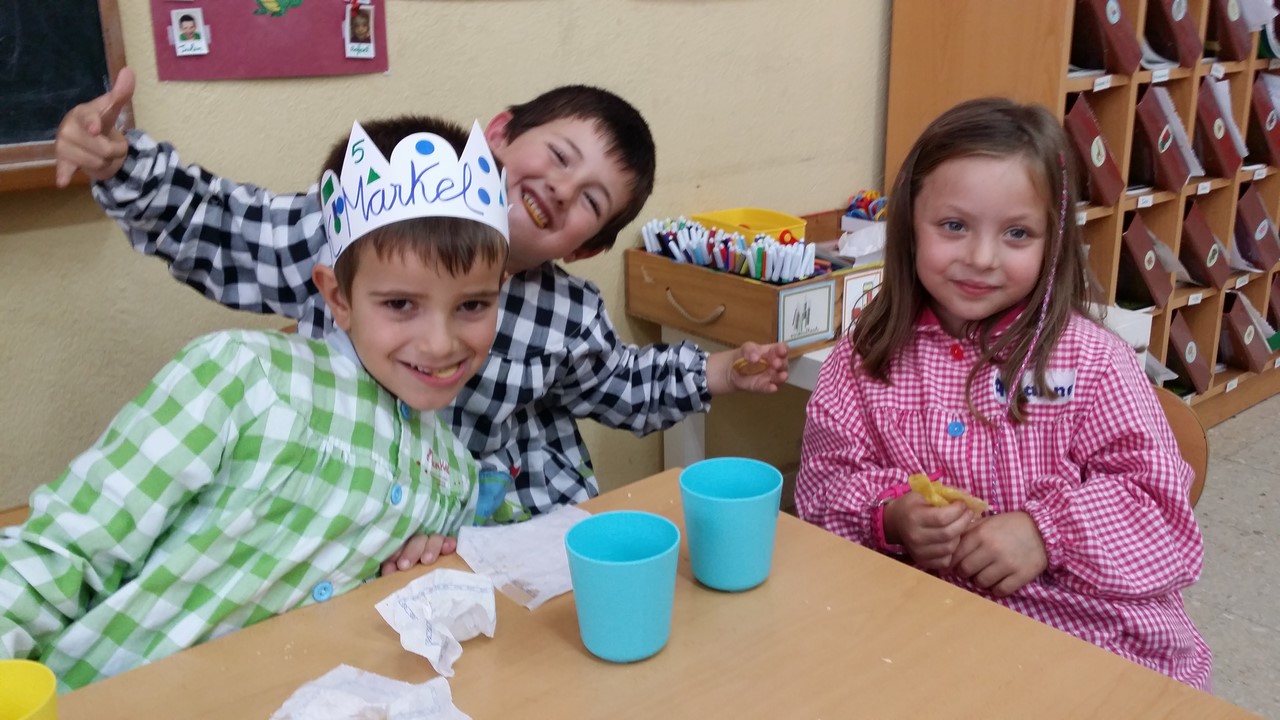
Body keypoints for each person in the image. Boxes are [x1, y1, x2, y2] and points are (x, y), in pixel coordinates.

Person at [53, 69, 791, 570]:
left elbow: (619, 382)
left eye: (592, 201)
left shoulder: (566, 315)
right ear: (499, 133)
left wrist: (718, 371)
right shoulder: (363, 234)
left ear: (587, 247)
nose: (563, 190)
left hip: (501, 540)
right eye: (559, 156)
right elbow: (225, 226)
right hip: (352, 530)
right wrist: (122, 165)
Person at [1, 115, 508, 691]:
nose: (441, 343)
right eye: (399, 304)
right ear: (338, 298)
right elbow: (60, 552)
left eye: (472, 305)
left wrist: (418, 574)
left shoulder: (453, 477)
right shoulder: (240, 377)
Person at [794, 98, 1211, 690]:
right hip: (920, 636)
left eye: (1017, 233)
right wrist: (890, 516)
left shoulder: (1092, 362)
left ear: (1052, 242)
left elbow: (1163, 517)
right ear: (909, 226)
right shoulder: (864, 360)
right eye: (954, 226)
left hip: (1088, 647)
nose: (981, 258)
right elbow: (821, 492)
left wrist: (1046, 532)